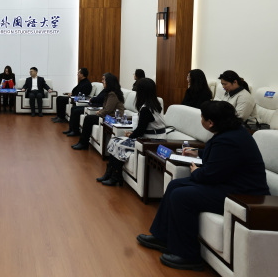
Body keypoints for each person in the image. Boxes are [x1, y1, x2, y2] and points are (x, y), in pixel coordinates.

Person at [137, 101, 269, 271]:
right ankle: (163, 237)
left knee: (181, 196)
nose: (201, 121)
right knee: (175, 185)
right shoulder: (232, 132)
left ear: (210, 122)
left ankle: (189, 256)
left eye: (202, 118)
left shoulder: (229, 140)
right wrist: (197, 153)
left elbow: (209, 176)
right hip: (230, 185)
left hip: (242, 194)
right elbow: (219, 157)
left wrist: (196, 172)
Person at [98, 78, 165, 186]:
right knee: (114, 140)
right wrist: (132, 134)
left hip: (151, 141)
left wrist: (131, 136)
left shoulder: (146, 109)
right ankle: (110, 173)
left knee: (118, 143)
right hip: (149, 137)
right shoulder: (154, 104)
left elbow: (140, 130)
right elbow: (143, 128)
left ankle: (115, 176)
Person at [72, 73, 125, 150]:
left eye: (104, 80)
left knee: (88, 119)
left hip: (113, 119)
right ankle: (82, 142)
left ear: (109, 82)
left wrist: (99, 113)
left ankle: (83, 143)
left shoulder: (112, 94)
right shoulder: (110, 92)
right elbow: (107, 108)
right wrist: (101, 111)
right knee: (88, 118)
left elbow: (108, 110)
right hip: (109, 116)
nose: (102, 81)